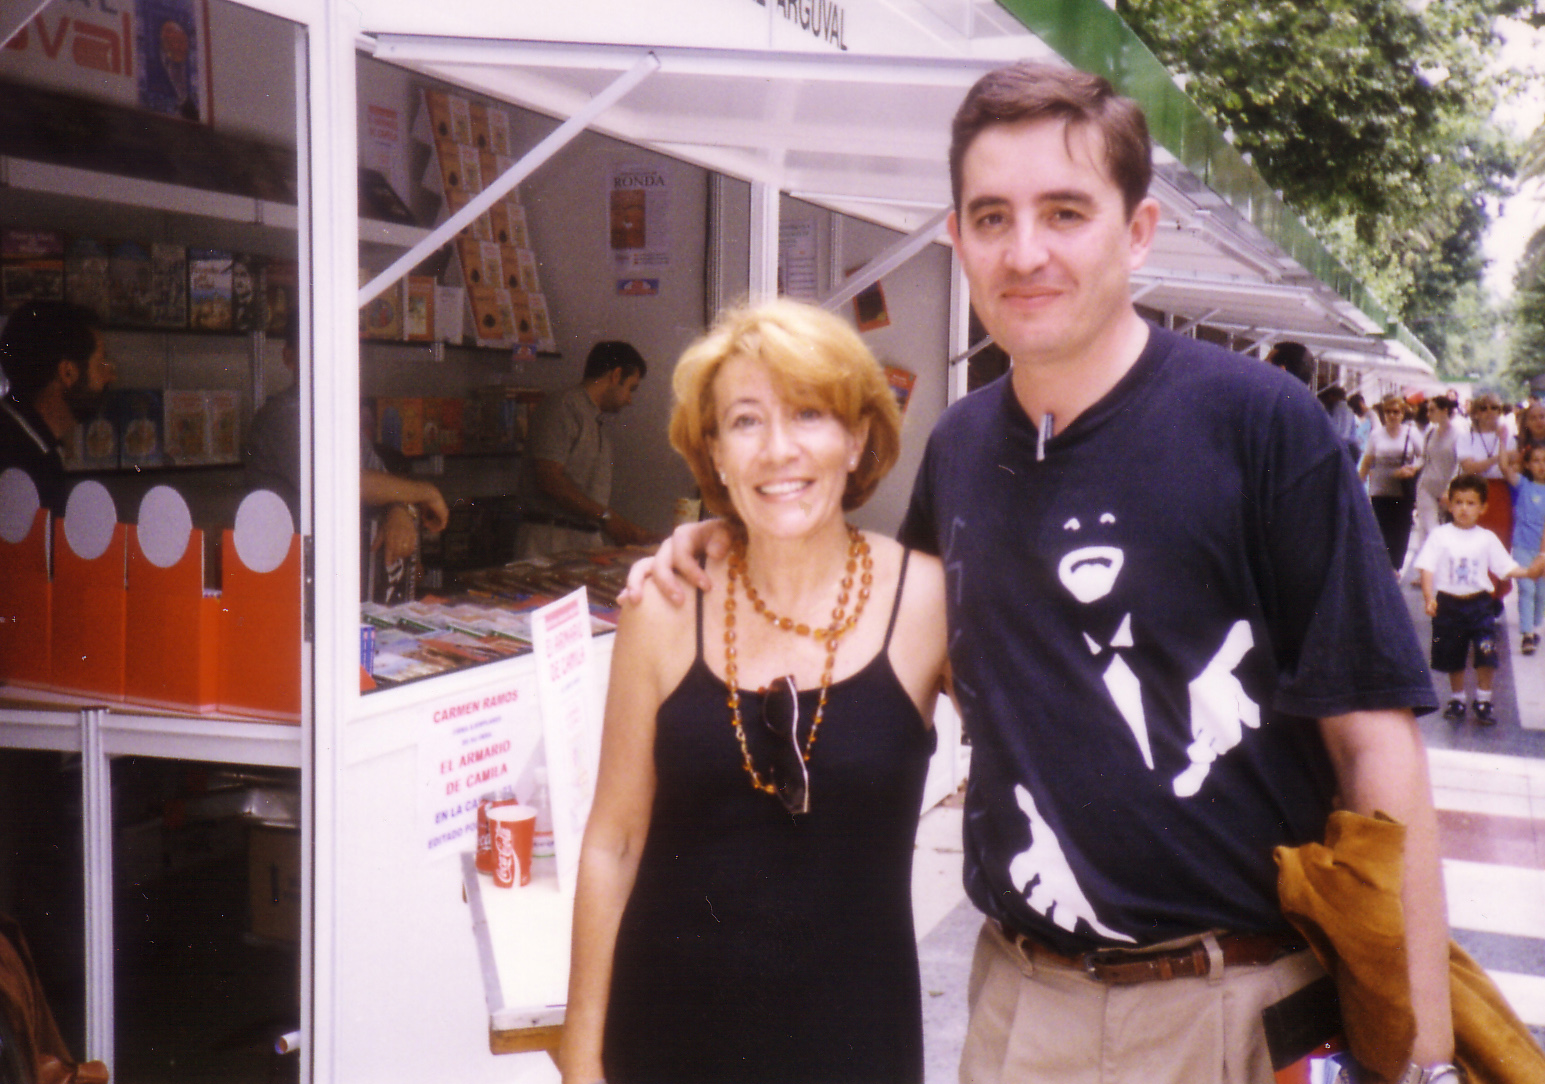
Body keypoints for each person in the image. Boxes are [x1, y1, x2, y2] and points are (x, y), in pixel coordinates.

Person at [630, 61, 1454, 1084]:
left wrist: (1423, 1057)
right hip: (1021, 1012)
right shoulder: (961, 446)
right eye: (992, 217)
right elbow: (887, 624)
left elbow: (1374, 742)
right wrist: (723, 543)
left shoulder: (1258, 425)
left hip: (1229, 1013)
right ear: (957, 237)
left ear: (1137, 231)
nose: (1025, 252)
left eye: (1065, 212)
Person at [561, 301, 948, 1084]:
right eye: (745, 421)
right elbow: (614, 841)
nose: (777, 450)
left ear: (857, 439)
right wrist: (580, 1053)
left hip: (853, 1045)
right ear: (713, 451)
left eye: (809, 414)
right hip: (665, 1040)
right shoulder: (665, 606)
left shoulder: (929, 601)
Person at [245, 314, 449, 573]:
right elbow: (340, 484)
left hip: (335, 570)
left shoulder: (337, 415)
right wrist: (425, 492)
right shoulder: (282, 416)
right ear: (289, 358)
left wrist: (398, 510)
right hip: (286, 575)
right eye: (314, 350)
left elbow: (381, 481)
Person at [1415, 474, 1544, 725]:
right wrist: (1429, 597)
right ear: (1449, 505)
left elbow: (1505, 567)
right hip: (1448, 605)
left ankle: (1484, 699)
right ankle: (1458, 698)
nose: (1464, 508)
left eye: (1471, 503)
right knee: (1453, 654)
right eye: (1458, 502)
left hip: (1480, 605)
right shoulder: (1440, 536)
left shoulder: (1486, 538)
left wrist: (1529, 572)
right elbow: (1427, 568)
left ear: (1483, 508)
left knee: (1486, 652)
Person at [517, 340, 656, 558]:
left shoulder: (593, 419)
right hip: (550, 538)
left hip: (584, 539)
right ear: (616, 375)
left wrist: (625, 528)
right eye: (631, 388)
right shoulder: (564, 406)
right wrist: (608, 518)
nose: (630, 400)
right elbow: (549, 479)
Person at [0, 300, 115, 516]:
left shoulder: (22, 439)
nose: (110, 376)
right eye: (101, 363)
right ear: (68, 373)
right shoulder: (28, 464)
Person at [1455, 392, 1515, 601]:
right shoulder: (1466, 437)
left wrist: (1501, 451)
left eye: (1495, 407)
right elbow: (1469, 468)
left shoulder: (1509, 437)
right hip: (1474, 493)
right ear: (1476, 413)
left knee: (1500, 543)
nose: (1489, 412)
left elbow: (1513, 465)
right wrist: (1499, 458)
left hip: (1500, 493)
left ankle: (1494, 595)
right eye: (1484, 408)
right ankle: (1475, 593)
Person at [1359, 396, 1424, 570]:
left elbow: (1423, 457)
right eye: (1388, 412)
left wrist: (1412, 468)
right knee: (1382, 530)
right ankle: (1385, 567)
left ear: (1402, 414)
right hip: (1380, 489)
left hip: (1403, 489)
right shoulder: (1376, 435)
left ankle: (1396, 567)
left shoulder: (1411, 433)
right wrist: (1358, 484)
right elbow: (1367, 462)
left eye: (1396, 412)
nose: (1392, 415)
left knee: (1401, 530)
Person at [1405, 395, 1461, 587]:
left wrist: (1449, 489)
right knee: (1428, 530)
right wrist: (1413, 468)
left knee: (1444, 530)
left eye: (1432, 410)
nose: (1428, 414)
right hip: (1426, 486)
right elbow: (1424, 457)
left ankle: (1444, 571)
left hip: (1447, 489)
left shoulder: (1458, 434)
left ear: (1445, 410)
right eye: (1428, 410)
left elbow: (1458, 464)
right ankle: (1425, 574)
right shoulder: (1430, 432)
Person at [1507, 442, 1545, 654]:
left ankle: (1535, 626)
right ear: (1528, 465)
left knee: (1541, 592)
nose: (1542, 465)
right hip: (1522, 545)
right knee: (1526, 588)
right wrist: (1505, 443)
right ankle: (1527, 633)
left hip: (1543, 550)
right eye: (1536, 461)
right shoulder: (1523, 484)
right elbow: (1505, 467)